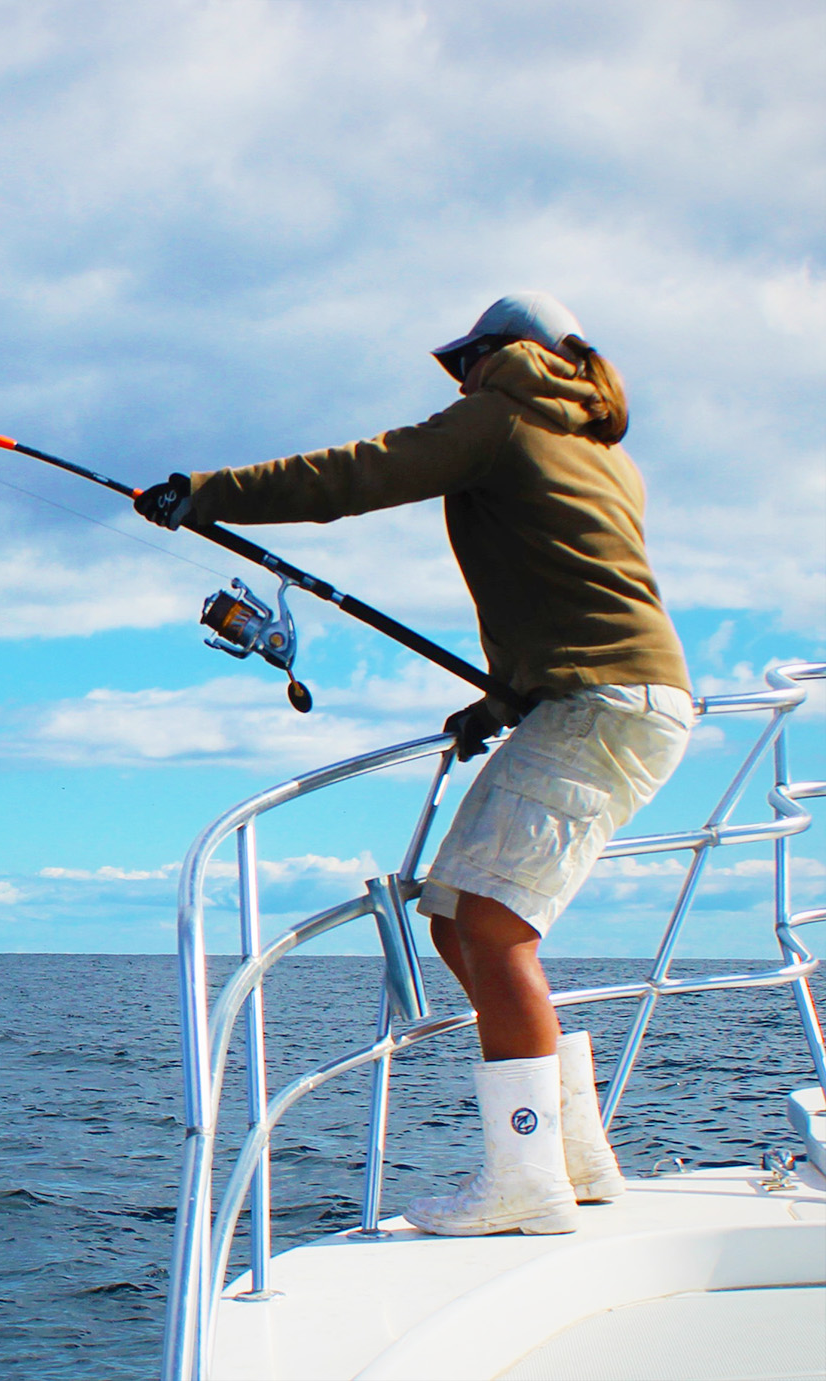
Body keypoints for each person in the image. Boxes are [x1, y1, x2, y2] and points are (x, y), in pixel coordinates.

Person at [135, 292, 694, 1236]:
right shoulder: (605, 449)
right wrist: (503, 696)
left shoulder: (507, 413)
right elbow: (570, 585)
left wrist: (211, 492)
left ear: (504, 352)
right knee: (451, 916)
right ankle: (574, 1152)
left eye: (464, 360)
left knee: (493, 928)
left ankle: (526, 1183)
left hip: (600, 705)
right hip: (602, 699)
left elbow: (360, 473)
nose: (459, 377)